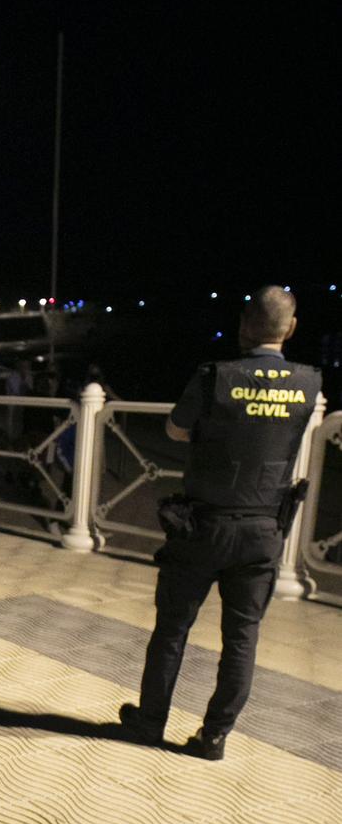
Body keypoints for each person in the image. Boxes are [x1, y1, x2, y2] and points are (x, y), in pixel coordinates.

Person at [119, 286, 320, 760]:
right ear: (290, 329)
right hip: (264, 531)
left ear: (245, 325)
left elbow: (175, 429)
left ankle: (150, 722)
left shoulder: (214, 377)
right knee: (242, 638)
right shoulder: (309, 384)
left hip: (202, 526)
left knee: (172, 629)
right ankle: (214, 737)